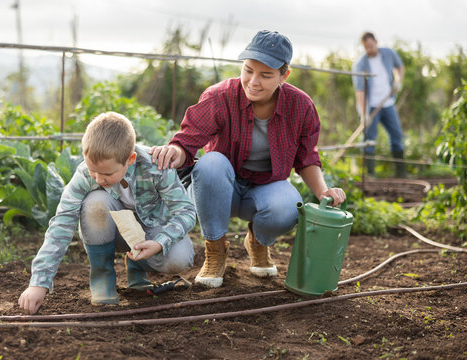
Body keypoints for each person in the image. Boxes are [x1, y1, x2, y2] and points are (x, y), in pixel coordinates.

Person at [150, 30, 346, 288]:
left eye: (266, 75)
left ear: (283, 76)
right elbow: (187, 140)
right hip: (221, 191)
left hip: (265, 189)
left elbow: (307, 157)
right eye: (248, 70)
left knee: (288, 206)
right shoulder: (219, 97)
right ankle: (215, 250)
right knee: (211, 164)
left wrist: (323, 191)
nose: (253, 81)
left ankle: (258, 241)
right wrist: (173, 151)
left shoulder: (300, 106)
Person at [19, 112, 196, 314]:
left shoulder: (157, 167)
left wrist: (160, 242)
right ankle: (102, 277)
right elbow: (61, 223)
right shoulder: (85, 175)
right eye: (92, 170)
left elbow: (187, 211)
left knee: (179, 259)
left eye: (107, 174)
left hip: (151, 233)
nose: (97, 179)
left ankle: (137, 264)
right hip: (114, 233)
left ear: (130, 159)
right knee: (96, 201)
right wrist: (39, 282)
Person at [352, 31, 406, 177]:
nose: (369, 49)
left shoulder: (388, 54)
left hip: (388, 103)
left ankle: (401, 173)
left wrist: (398, 81)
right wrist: (364, 114)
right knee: (369, 140)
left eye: (371, 45)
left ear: (376, 41)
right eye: (366, 47)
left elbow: (399, 67)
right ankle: (370, 174)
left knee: (397, 135)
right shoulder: (360, 64)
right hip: (371, 106)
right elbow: (360, 92)